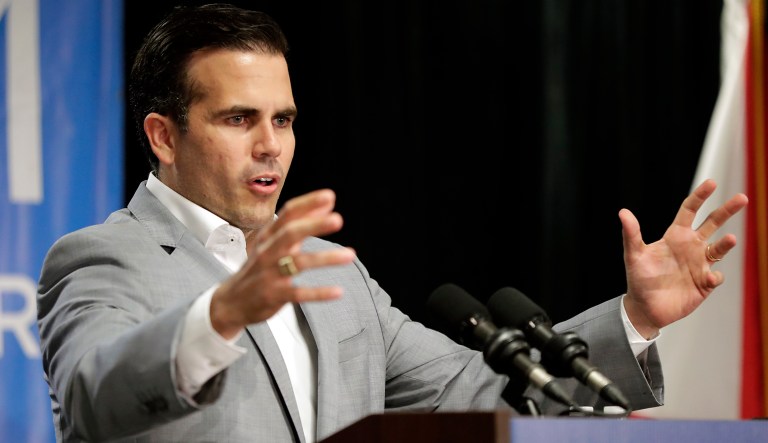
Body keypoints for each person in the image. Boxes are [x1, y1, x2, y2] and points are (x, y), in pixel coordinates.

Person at [36, 3, 748, 442]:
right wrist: (220, 314)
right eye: (238, 119)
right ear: (163, 135)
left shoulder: (332, 271)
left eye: (283, 119)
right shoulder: (101, 257)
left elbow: (478, 389)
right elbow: (93, 396)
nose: (270, 145)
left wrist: (635, 316)